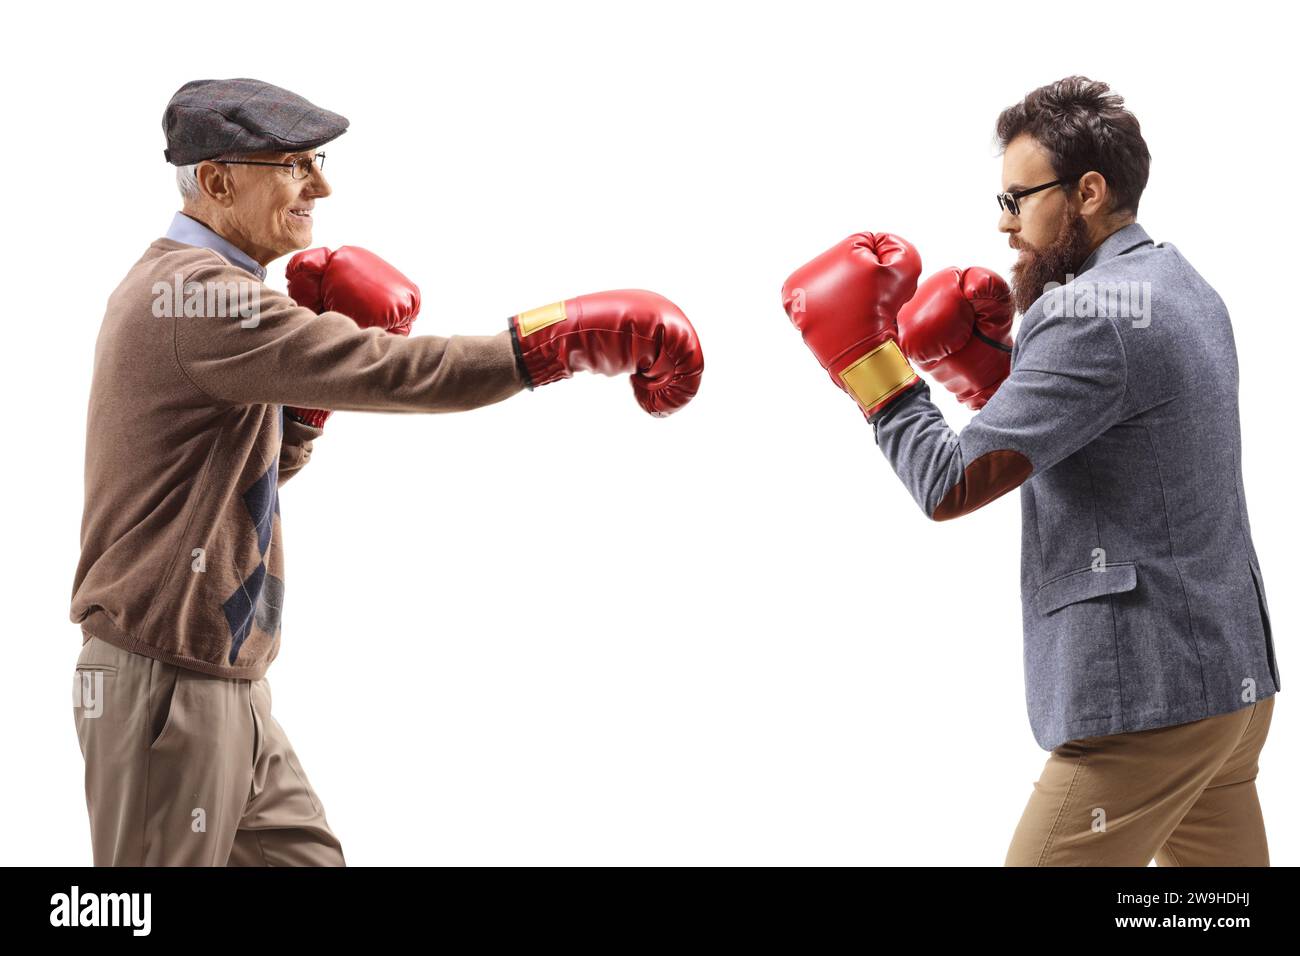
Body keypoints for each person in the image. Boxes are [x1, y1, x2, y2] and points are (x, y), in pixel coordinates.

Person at [70, 77, 703, 866]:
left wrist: (303, 411)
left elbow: (244, 481)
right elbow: (397, 372)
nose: (321, 185)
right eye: (294, 164)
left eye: (316, 160)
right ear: (218, 180)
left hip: (225, 683)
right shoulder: (196, 301)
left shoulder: (211, 295)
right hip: (165, 684)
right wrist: (558, 340)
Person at [780, 76, 1279, 866]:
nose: (1004, 224)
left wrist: (865, 360)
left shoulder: (1086, 316)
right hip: (1228, 690)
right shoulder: (1182, 284)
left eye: (1019, 200)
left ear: (1087, 191)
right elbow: (1120, 425)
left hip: (1145, 710)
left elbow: (948, 484)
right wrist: (995, 375)